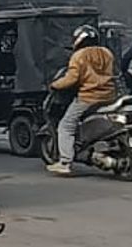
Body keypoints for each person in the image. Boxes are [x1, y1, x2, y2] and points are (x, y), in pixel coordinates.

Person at [47, 24, 118, 176]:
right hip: (109, 96)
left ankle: (65, 162)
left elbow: (72, 79)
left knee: (66, 125)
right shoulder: (107, 53)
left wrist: (55, 85)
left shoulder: (79, 56)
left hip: (88, 98)